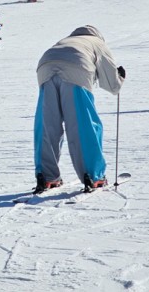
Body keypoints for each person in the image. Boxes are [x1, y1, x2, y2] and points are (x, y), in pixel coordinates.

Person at [33, 25, 125, 193]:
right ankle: (93, 175)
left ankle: (46, 177)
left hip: (45, 66)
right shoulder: (98, 43)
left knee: (48, 124)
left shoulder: (67, 40)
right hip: (76, 68)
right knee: (82, 124)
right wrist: (120, 78)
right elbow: (112, 85)